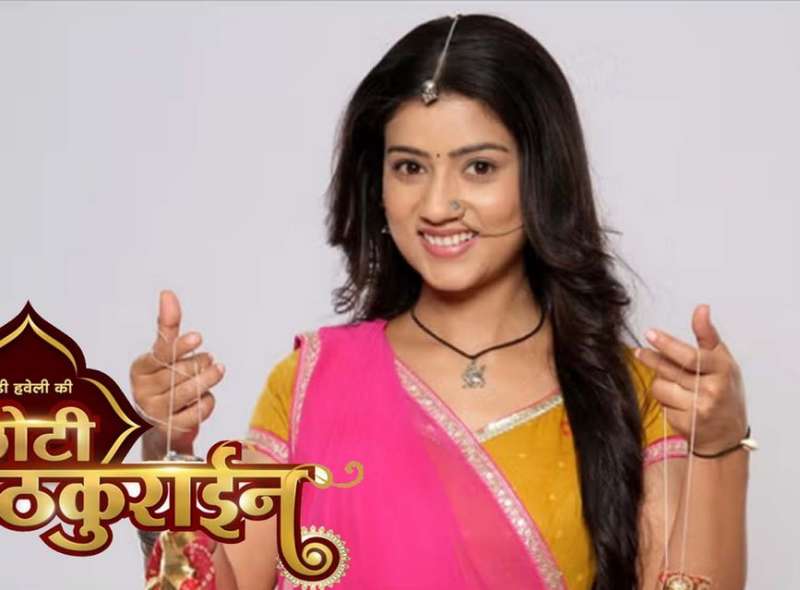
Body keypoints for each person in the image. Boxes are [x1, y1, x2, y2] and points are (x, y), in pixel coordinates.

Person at [130, 13, 751, 590]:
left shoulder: (631, 394)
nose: (436, 205)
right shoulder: (311, 385)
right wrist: (166, 453)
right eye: (409, 168)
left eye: (478, 168)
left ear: (542, 176)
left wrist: (718, 444)